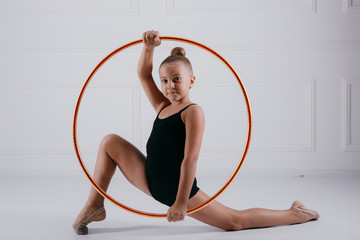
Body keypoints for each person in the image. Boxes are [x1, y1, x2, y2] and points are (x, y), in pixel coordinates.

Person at [72, 30, 319, 235]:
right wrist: (148, 47)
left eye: (177, 79)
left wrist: (180, 202)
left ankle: (296, 213)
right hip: (150, 179)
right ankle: (95, 205)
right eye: (165, 81)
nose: (170, 87)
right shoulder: (162, 107)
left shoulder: (193, 112)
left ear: (191, 80)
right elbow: (143, 75)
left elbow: (190, 159)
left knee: (234, 221)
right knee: (109, 142)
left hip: (177, 189)